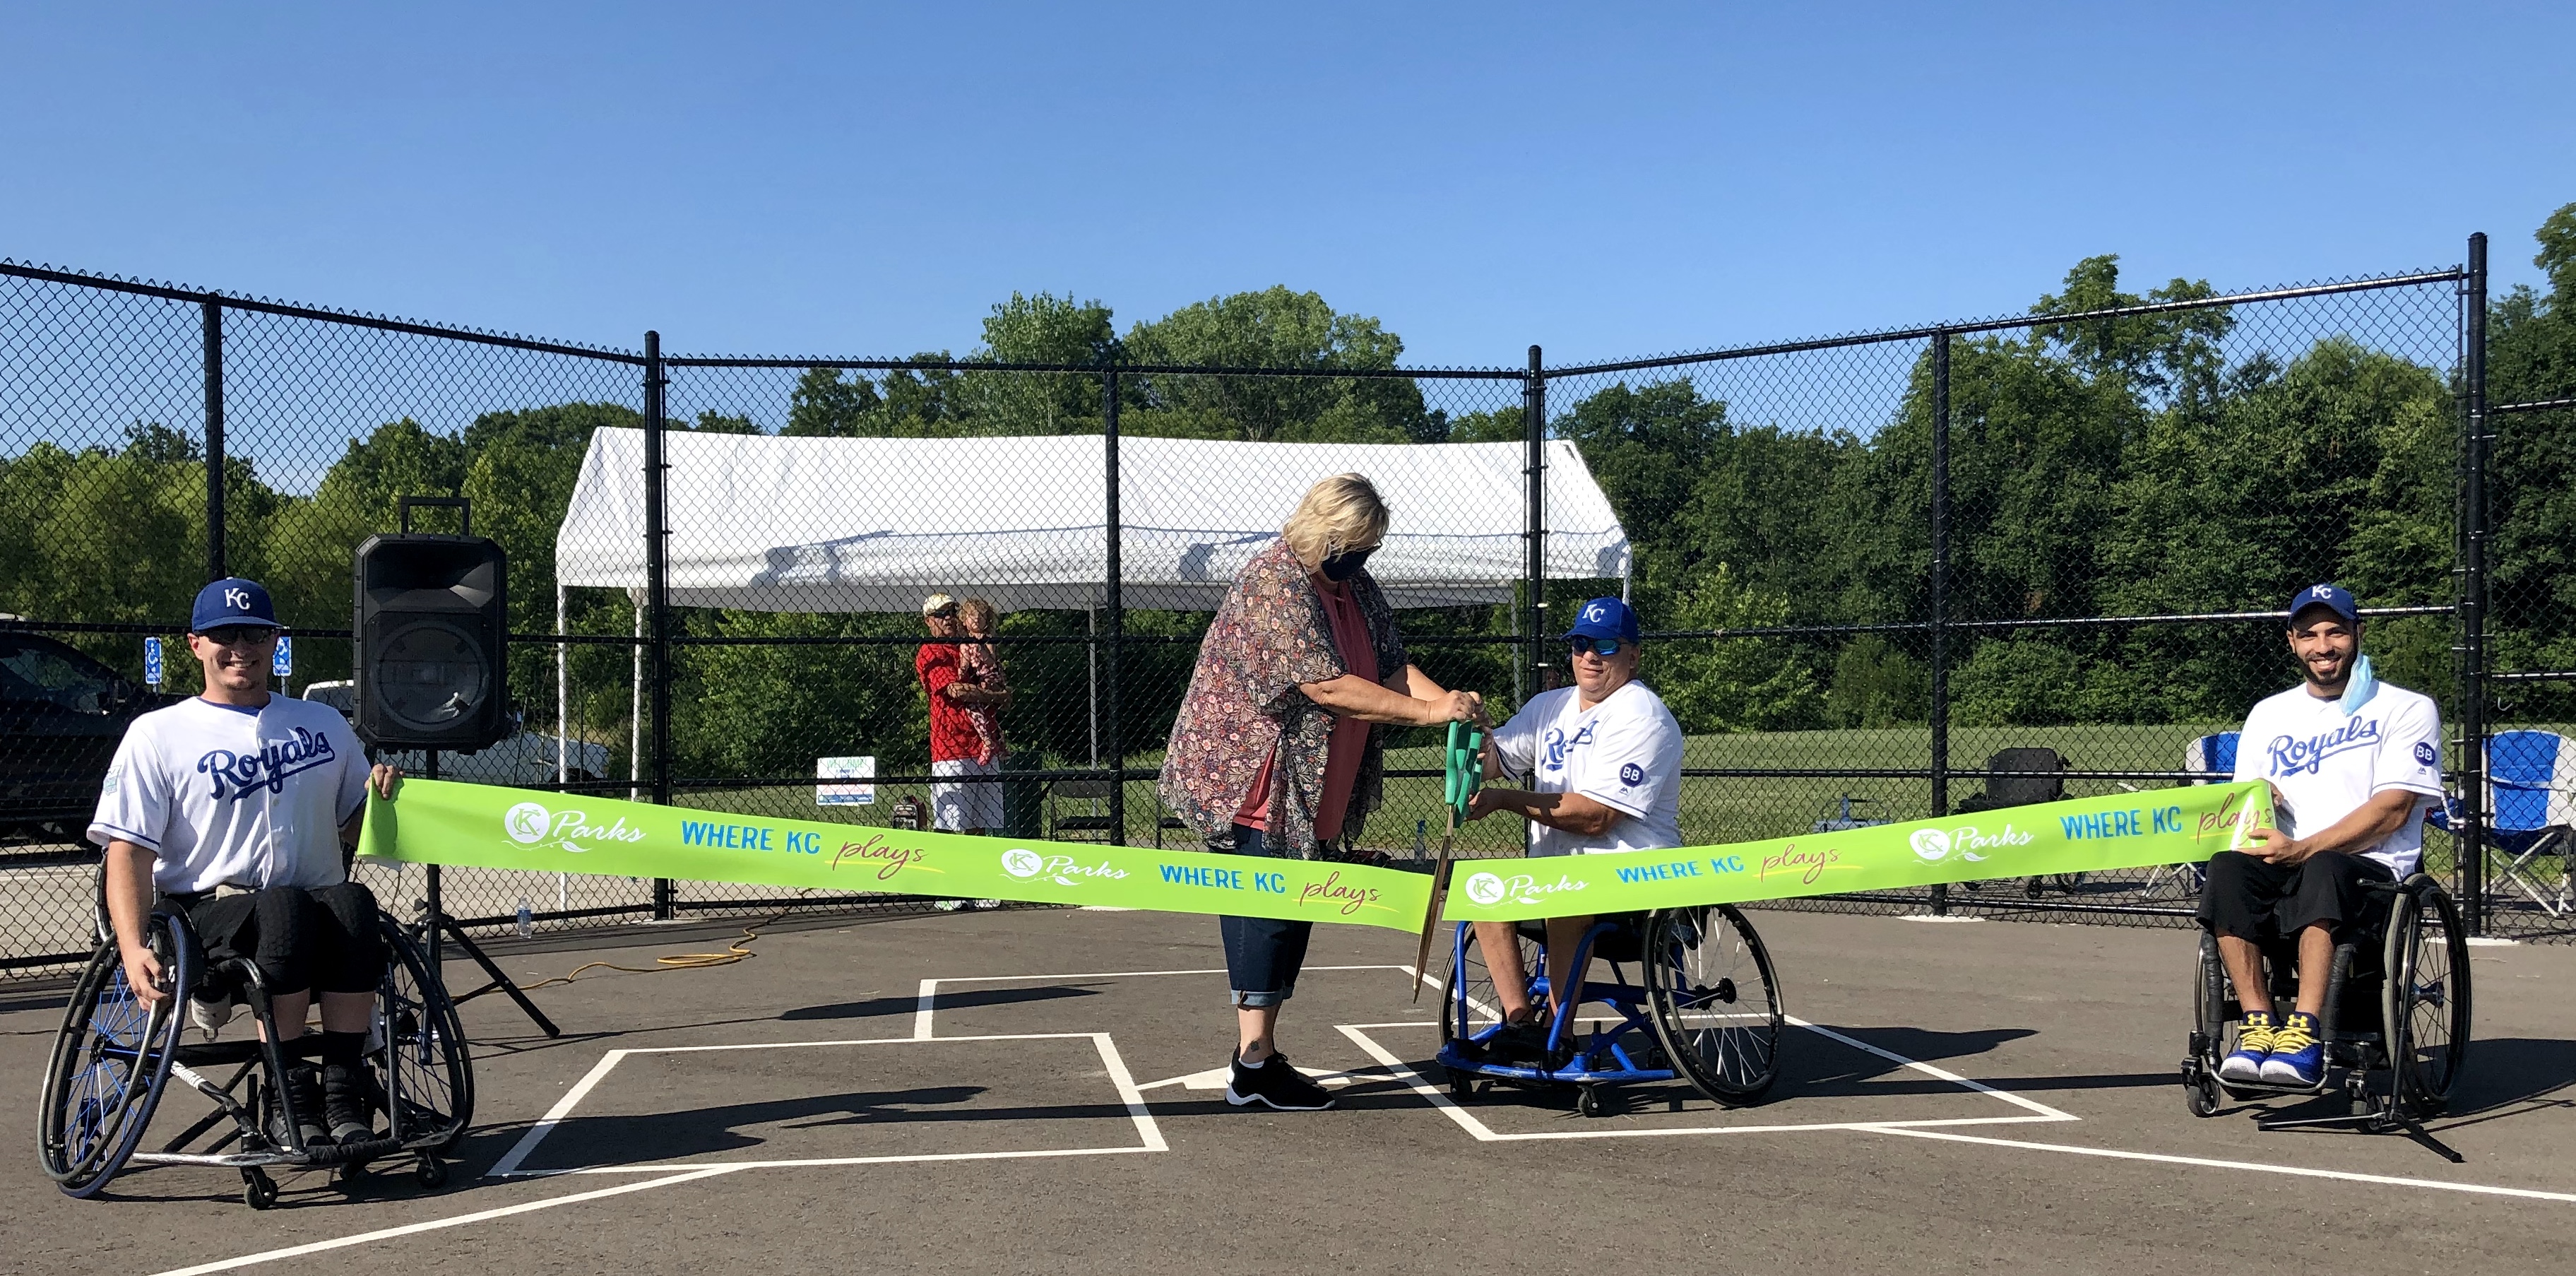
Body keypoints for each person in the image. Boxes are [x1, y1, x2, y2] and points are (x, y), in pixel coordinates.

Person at [1161, 473, 1481, 1111]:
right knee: (1267, 906)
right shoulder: (1273, 581)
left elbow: (1389, 668)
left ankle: (1261, 1054)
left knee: (1296, 902)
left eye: (1369, 547)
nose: (1360, 559)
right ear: (1323, 531)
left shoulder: (1355, 586)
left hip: (1319, 776)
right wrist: (1425, 717)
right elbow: (1326, 686)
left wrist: (1447, 700)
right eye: (1353, 545)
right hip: (1258, 776)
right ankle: (1253, 1063)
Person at [88, 578, 403, 1149]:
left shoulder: (322, 725)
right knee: (283, 907)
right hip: (207, 914)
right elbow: (127, 851)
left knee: (355, 902)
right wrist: (132, 947)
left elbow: (357, 825)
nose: (241, 646)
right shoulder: (158, 735)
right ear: (195, 645)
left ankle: (342, 1086)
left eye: (255, 632)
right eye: (224, 634)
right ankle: (291, 1094)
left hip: (317, 908)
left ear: (274, 640)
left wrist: (381, 801)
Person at [2201, 584, 2445, 1087]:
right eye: (2309, 634)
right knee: (2226, 869)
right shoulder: (2268, 714)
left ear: (2357, 633)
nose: (2322, 645)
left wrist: (2304, 847)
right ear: (2291, 642)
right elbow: (2247, 806)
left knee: (2324, 866)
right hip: (2285, 860)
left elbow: (2392, 810)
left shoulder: (2405, 708)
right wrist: (2259, 798)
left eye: (2334, 631)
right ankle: (2257, 1025)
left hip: (2373, 870)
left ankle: (2305, 1032)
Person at [1461, 596, 1684, 1063]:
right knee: (1479, 889)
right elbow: (1497, 760)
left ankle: (1556, 1036)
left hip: (1634, 880)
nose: (1589, 656)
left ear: (1632, 655)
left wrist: (1504, 800)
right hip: (1561, 875)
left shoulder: (1642, 715)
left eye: (1605, 645)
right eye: (1580, 643)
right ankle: (1520, 1021)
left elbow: (1596, 816)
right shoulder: (1549, 707)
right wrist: (1472, 734)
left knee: (1563, 901)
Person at [917, 593, 1008, 837]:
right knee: (950, 823)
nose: (948, 618)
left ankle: (975, 873)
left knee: (980, 825)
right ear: (928, 620)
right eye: (940, 614)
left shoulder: (972, 645)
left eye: (951, 612)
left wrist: (990, 693)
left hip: (982, 745)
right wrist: (995, 697)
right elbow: (956, 690)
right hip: (952, 749)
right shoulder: (931, 651)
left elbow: (998, 682)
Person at [955, 597, 1009, 769]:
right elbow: (964, 663)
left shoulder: (987, 639)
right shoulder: (965, 643)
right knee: (975, 709)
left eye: (981, 616)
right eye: (972, 616)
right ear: (964, 620)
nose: (976, 619)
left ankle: (995, 743)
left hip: (991, 675)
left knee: (989, 703)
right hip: (978, 679)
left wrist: (980, 648)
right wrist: (961, 672)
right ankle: (990, 740)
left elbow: (992, 661)